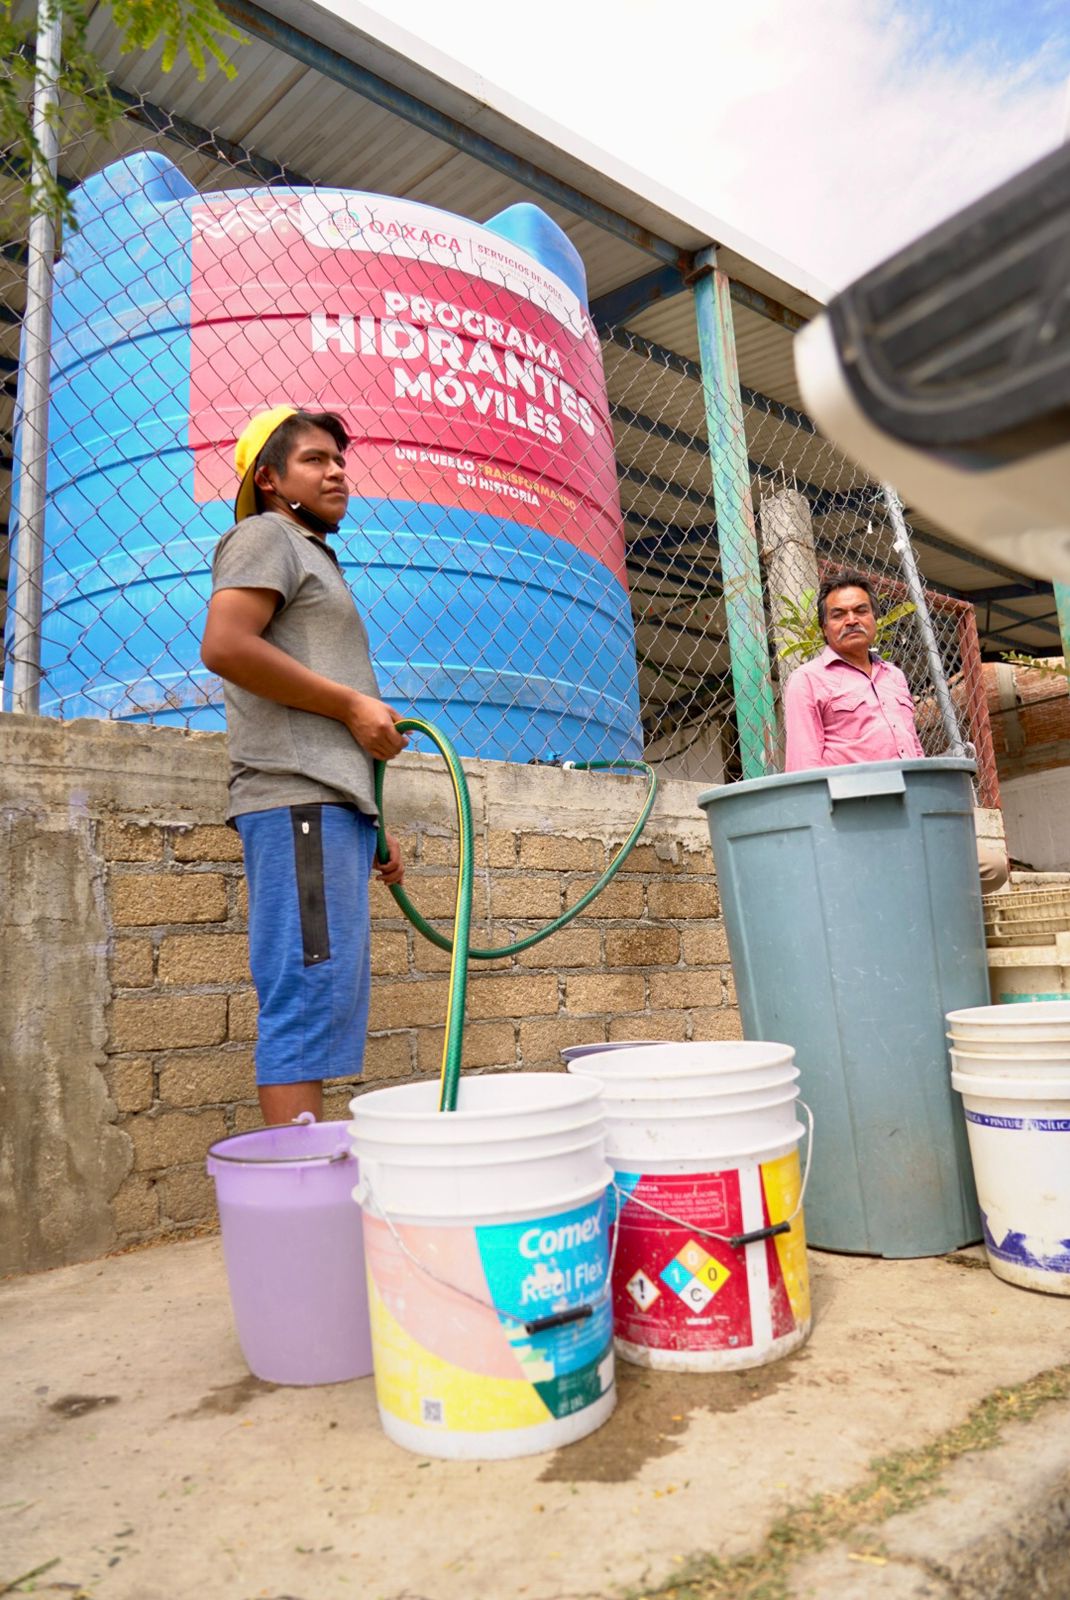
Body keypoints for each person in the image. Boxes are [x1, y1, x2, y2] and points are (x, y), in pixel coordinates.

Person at [200, 404, 408, 1126]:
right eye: (316, 460)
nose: (337, 471)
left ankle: (312, 1192)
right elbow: (226, 644)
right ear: (268, 477)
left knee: (323, 1004)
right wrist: (352, 705)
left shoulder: (312, 554)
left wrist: (374, 825)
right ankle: (300, 1202)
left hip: (330, 810)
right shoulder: (264, 535)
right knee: (304, 1000)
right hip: (298, 805)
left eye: (340, 460)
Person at [782, 568, 1009, 889]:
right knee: (891, 877)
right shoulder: (807, 680)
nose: (851, 620)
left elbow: (912, 750)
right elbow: (802, 770)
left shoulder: (894, 677)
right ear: (824, 628)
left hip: (913, 809)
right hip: (856, 817)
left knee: (991, 868)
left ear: (874, 618)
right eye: (839, 614)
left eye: (861, 610)